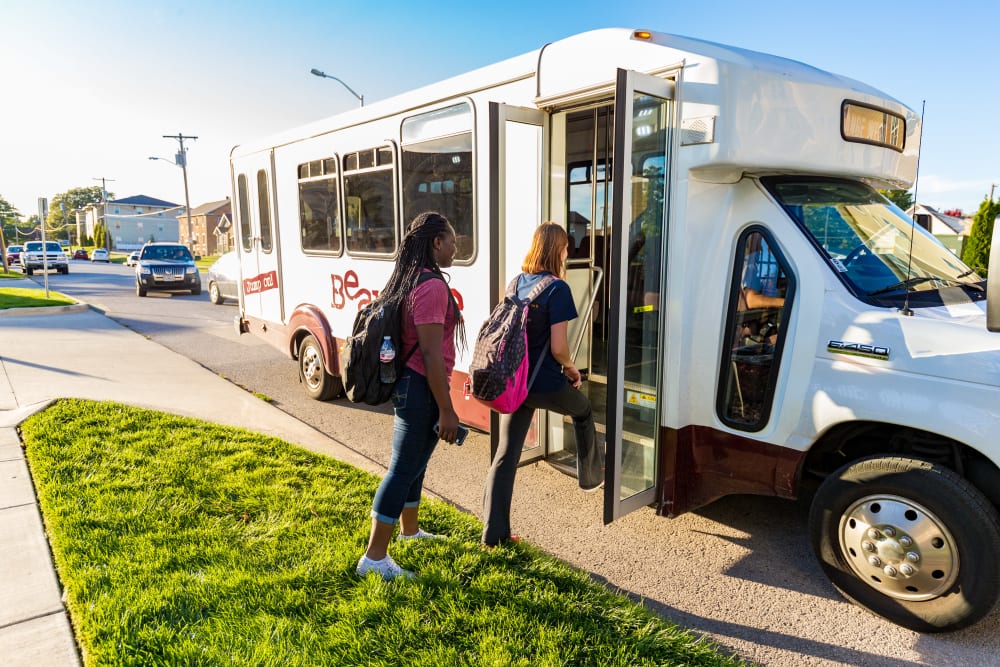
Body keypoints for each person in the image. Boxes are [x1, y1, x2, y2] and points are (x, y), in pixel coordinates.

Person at [356, 211, 465, 580]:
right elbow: (431, 354)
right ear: (437, 243)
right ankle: (374, 558)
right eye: (451, 240)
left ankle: (410, 531)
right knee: (402, 470)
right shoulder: (432, 286)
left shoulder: (412, 278)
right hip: (421, 387)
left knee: (414, 465)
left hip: (412, 384)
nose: (455, 246)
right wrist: (447, 409)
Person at [481, 222, 603, 547]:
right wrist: (572, 369)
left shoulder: (516, 283)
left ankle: (494, 536)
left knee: (505, 455)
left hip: (514, 382)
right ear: (556, 250)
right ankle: (592, 478)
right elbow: (559, 347)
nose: (567, 251)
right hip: (544, 383)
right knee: (584, 409)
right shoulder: (557, 288)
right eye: (565, 247)